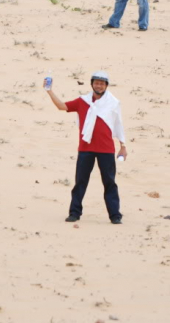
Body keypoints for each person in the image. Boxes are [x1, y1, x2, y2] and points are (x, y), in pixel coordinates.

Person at [45, 71, 127, 224]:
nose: (99, 86)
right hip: (85, 148)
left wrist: (123, 146)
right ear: (92, 84)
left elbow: (118, 124)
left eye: (102, 83)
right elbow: (62, 106)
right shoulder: (82, 101)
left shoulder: (113, 102)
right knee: (80, 182)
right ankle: (74, 213)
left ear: (106, 86)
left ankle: (115, 215)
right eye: (96, 82)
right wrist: (49, 91)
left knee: (109, 182)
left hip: (106, 149)